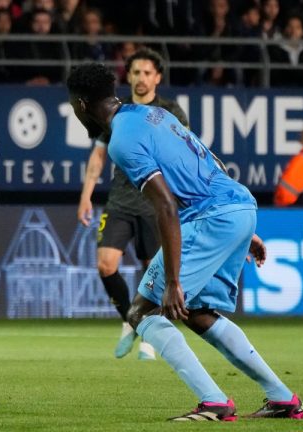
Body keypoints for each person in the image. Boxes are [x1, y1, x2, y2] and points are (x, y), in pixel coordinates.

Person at [66, 62, 303, 421]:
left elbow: (165, 205)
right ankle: (282, 398)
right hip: (237, 205)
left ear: (81, 104)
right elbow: (208, 160)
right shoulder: (153, 114)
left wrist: (174, 281)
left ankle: (214, 402)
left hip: (209, 217)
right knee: (197, 313)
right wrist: (243, 228)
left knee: (142, 311)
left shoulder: (121, 140)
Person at [77, 48, 188, 361]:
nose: (141, 78)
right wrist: (86, 194)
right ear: (129, 76)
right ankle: (130, 319)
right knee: (105, 263)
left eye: (147, 73)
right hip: (121, 199)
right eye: (136, 72)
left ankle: (150, 337)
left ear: (158, 77)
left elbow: (183, 154)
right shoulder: (116, 112)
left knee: (151, 271)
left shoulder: (170, 111)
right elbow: (99, 155)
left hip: (156, 203)